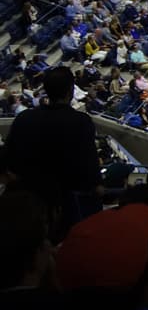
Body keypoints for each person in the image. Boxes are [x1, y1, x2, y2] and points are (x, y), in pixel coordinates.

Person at [4, 65, 101, 240]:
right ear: (70, 91)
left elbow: (8, 161)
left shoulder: (24, 118)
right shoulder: (80, 122)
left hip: (28, 201)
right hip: (65, 203)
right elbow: (90, 169)